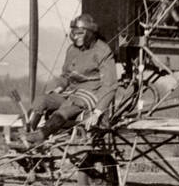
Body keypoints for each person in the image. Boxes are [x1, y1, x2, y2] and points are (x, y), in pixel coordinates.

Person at [24, 13, 117, 143]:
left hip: (89, 94)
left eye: (80, 33)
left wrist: (98, 111)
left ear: (89, 33)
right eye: (74, 33)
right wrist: (59, 87)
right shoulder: (72, 49)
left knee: (64, 110)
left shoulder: (102, 50)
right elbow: (66, 75)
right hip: (70, 92)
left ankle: (41, 135)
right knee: (41, 100)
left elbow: (110, 85)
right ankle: (26, 132)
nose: (76, 36)